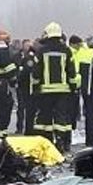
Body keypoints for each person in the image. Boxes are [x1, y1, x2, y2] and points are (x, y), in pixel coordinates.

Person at [32, 22, 77, 152]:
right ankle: (63, 142)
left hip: (45, 92)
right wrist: (73, 86)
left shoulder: (41, 51)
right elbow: (71, 71)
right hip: (63, 91)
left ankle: (47, 143)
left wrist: (35, 87)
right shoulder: (67, 50)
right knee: (62, 118)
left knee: (45, 119)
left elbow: (36, 72)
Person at [15, 39, 36, 134]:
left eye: (29, 46)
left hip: (30, 87)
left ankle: (30, 129)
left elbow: (26, 71)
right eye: (26, 45)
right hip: (22, 86)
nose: (28, 47)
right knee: (21, 108)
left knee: (30, 109)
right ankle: (19, 127)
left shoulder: (31, 58)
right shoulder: (17, 56)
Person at [67, 35, 85, 129]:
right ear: (72, 44)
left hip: (77, 84)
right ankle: (72, 130)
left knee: (75, 109)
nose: (80, 46)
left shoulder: (78, 52)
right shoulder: (70, 53)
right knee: (71, 110)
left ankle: (74, 130)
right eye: (78, 44)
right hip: (71, 84)